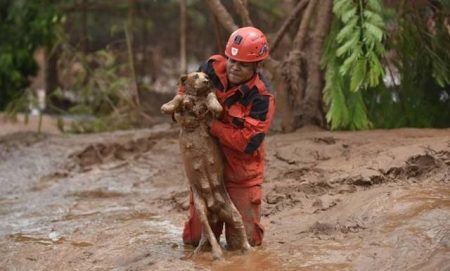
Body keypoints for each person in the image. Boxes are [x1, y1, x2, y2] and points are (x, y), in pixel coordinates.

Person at [181, 26, 275, 247]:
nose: (234, 67)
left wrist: (211, 124)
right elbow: (185, 89)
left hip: (241, 170)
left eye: (243, 64)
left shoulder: (262, 97)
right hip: (206, 164)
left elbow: (248, 141)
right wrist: (182, 108)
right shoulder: (210, 69)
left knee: (244, 243)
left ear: (257, 65)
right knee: (196, 241)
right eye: (232, 60)